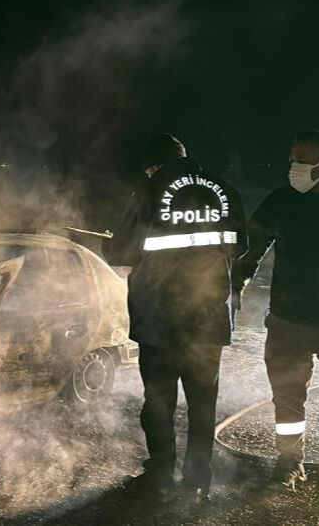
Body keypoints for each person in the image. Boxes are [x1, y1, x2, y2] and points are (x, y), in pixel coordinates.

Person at [105, 134, 246, 504]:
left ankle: (161, 474)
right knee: (203, 403)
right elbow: (240, 245)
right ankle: (198, 478)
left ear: (153, 165)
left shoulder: (150, 192)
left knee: (160, 400)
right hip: (209, 318)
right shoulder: (224, 190)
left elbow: (121, 253)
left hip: (159, 320)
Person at [234, 130, 319, 492]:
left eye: (304, 161)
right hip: (288, 320)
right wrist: (234, 286)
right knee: (287, 398)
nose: (295, 168)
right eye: (292, 160)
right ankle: (288, 465)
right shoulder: (282, 201)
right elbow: (251, 248)